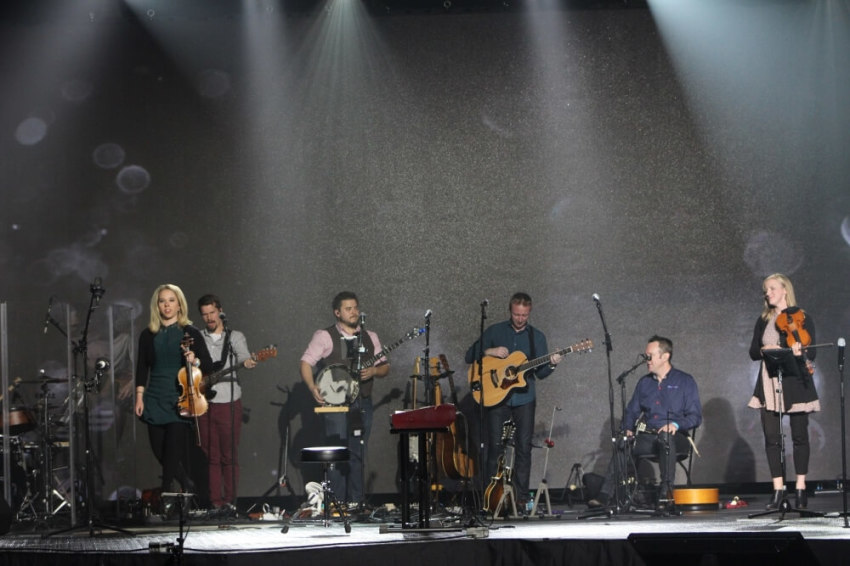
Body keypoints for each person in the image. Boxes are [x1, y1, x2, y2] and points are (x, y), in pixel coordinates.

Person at [464, 292, 561, 513]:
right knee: (494, 446)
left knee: (524, 447)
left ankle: (520, 499)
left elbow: (541, 373)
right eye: (517, 314)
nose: (520, 319)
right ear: (510, 311)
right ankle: (491, 498)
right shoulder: (496, 331)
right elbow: (470, 356)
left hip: (524, 398)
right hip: (497, 398)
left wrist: (553, 363)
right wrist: (490, 351)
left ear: (530, 312)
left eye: (524, 315)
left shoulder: (537, 337)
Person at [589, 335, 702, 511]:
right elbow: (632, 411)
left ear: (665, 356)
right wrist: (627, 429)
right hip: (649, 438)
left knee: (666, 437)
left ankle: (666, 495)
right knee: (624, 442)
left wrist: (675, 425)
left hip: (676, 437)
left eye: (649, 356)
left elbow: (695, 417)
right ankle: (605, 495)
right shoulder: (645, 383)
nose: (646, 360)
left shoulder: (685, 381)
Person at [299, 291, 389, 508]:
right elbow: (305, 362)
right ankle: (336, 503)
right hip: (335, 405)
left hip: (362, 402)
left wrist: (374, 373)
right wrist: (313, 387)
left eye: (356, 308)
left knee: (358, 451)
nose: (354, 312)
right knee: (338, 452)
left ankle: (356, 502)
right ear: (337, 312)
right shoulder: (324, 336)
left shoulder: (370, 336)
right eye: (348, 309)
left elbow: (384, 366)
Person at [748, 273, 819, 510]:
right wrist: (766, 348)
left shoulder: (802, 317)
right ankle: (778, 489)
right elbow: (753, 351)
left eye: (771, 289)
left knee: (800, 436)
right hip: (769, 380)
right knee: (772, 438)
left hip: (795, 380)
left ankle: (800, 487)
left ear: (784, 290)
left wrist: (800, 351)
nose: (767, 293)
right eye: (766, 290)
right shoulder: (763, 319)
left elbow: (813, 352)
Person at [135, 284, 213, 498]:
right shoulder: (148, 334)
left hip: (180, 398)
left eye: (171, 300)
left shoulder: (190, 332)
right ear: (157, 306)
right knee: (159, 450)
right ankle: (186, 483)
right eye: (162, 301)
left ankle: (166, 494)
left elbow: (207, 363)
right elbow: (142, 367)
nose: (167, 305)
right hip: (154, 396)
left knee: (172, 449)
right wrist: (139, 396)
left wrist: (193, 359)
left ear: (179, 305)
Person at [196, 294, 257, 512]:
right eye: (205, 314)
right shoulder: (197, 337)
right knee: (210, 455)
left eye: (212, 313)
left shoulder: (235, 336)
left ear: (220, 311)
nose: (209, 318)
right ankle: (215, 502)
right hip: (204, 402)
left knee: (229, 455)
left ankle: (230, 502)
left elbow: (243, 356)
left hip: (229, 400)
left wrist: (247, 361)